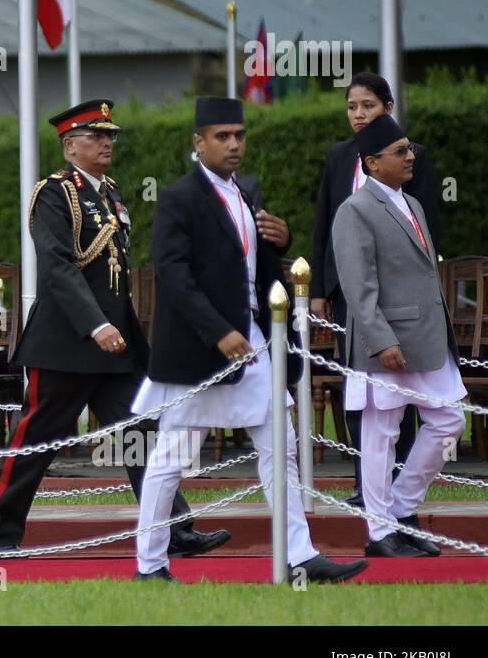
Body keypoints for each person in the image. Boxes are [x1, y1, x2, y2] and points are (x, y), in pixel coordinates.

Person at [131, 97, 367, 584]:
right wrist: (218, 331)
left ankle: (299, 555)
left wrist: (280, 240)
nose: (234, 144)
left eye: (239, 135)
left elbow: (252, 266)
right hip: (200, 351)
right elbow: (174, 276)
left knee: (280, 445)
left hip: (256, 343)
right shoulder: (178, 198)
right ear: (199, 142)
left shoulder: (249, 189)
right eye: (222, 136)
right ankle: (150, 565)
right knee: (171, 458)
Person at [0, 101, 229, 556]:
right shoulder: (54, 192)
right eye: (96, 137)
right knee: (35, 443)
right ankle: (0, 535)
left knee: (144, 435)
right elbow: (58, 267)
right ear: (70, 145)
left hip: (117, 346)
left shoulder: (109, 191)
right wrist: (94, 324)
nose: (106, 144)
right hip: (66, 342)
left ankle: (172, 531)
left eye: (109, 137)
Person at [333, 114, 465, 557]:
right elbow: (358, 287)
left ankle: (399, 511)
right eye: (401, 152)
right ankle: (378, 534)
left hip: (426, 340)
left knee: (450, 419)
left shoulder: (413, 203)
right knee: (380, 434)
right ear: (373, 162)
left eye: (409, 149)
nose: (411, 157)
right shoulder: (355, 210)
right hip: (386, 344)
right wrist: (381, 339)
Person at [310, 73, 439, 506]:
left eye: (368, 105)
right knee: (365, 397)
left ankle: (392, 487)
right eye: (352, 106)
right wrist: (319, 289)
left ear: (387, 107)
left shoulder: (413, 159)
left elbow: (426, 232)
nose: (359, 114)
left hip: (401, 299)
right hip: (352, 294)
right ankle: (366, 487)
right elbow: (325, 223)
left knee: (404, 401)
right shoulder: (338, 156)